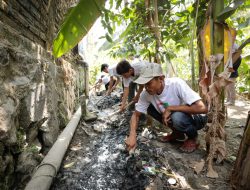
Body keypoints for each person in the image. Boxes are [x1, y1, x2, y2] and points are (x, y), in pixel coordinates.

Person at [125, 63, 208, 153]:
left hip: (197, 119)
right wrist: (132, 135)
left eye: (149, 83)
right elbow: (136, 115)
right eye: (145, 85)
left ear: (161, 79)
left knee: (177, 117)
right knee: (149, 108)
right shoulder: (146, 94)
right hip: (176, 117)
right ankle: (178, 133)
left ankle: (192, 137)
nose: (147, 88)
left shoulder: (176, 84)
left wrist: (170, 108)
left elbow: (202, 108)